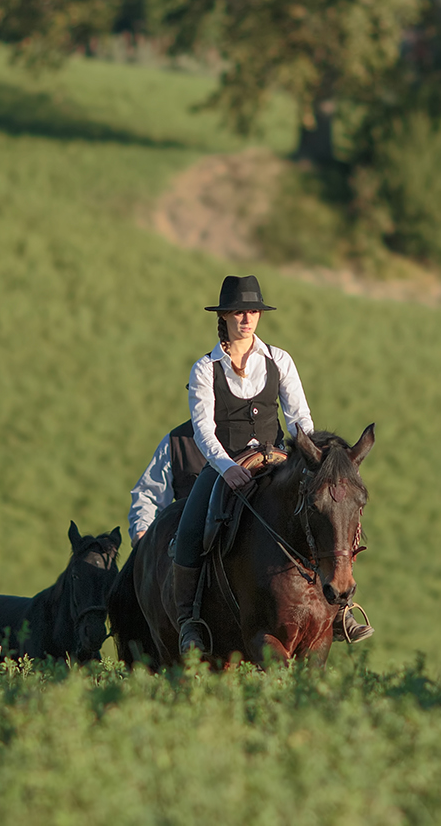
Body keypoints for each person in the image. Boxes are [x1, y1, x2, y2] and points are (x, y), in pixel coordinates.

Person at [127, 274, 369, 654]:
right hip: (226, 466)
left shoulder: (279, 360)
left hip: (277, 460)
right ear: (223, 317)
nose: (246, 318)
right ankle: (190, 621)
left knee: (326, 514)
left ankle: (339, 609)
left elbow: (300, 418)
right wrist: (225, 467)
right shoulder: (205, 368)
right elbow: (204, 429)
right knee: (189, 532)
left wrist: (310, 459)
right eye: (239, 312)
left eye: (253, 311)